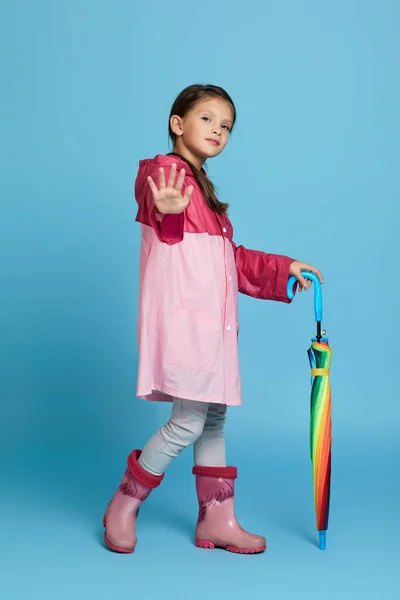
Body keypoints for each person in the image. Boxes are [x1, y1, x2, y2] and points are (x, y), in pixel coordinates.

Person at [103, 84, 323, 555]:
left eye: (225, 126)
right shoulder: (166, 176)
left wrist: (284, 268)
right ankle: (124, 501)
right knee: (188, 421)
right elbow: (155, 199)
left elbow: (233, 262)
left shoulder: (207, 198)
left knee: (213, 419)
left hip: (214, 332)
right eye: (207, 119)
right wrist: (164, 207)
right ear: (176, 123)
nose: (218, 130)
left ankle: (217, 520)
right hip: (187, 330)